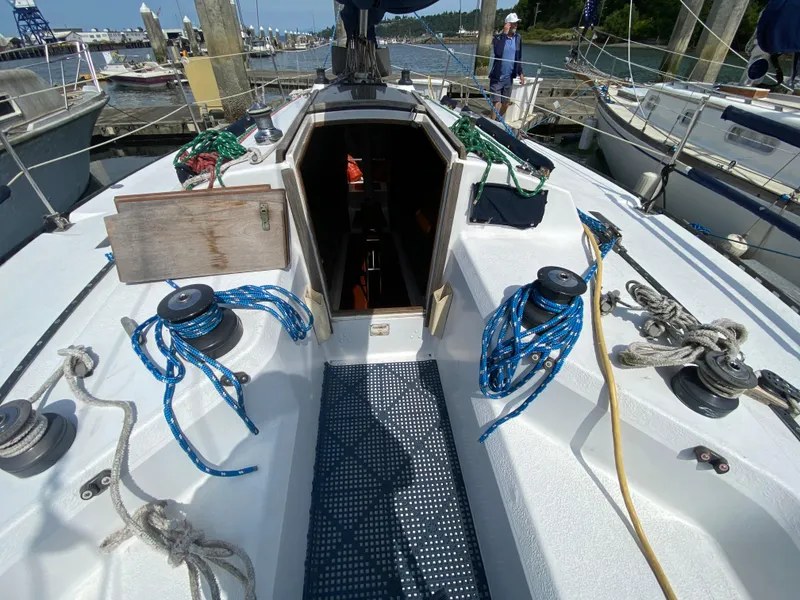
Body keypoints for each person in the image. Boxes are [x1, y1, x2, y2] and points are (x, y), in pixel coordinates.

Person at [489, 13, 525, 120]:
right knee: (496, 102)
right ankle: (492, 123)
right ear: (507, 24)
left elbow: (518, 56)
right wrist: (504, 34)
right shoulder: (498, 38)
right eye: (513, 23)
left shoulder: (518, 38)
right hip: (497, 76)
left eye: (516, 23)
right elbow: (498, 53)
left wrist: (521, 73)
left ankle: (497, 120)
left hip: (509, 77)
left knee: (505, 103)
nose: (515, 26)